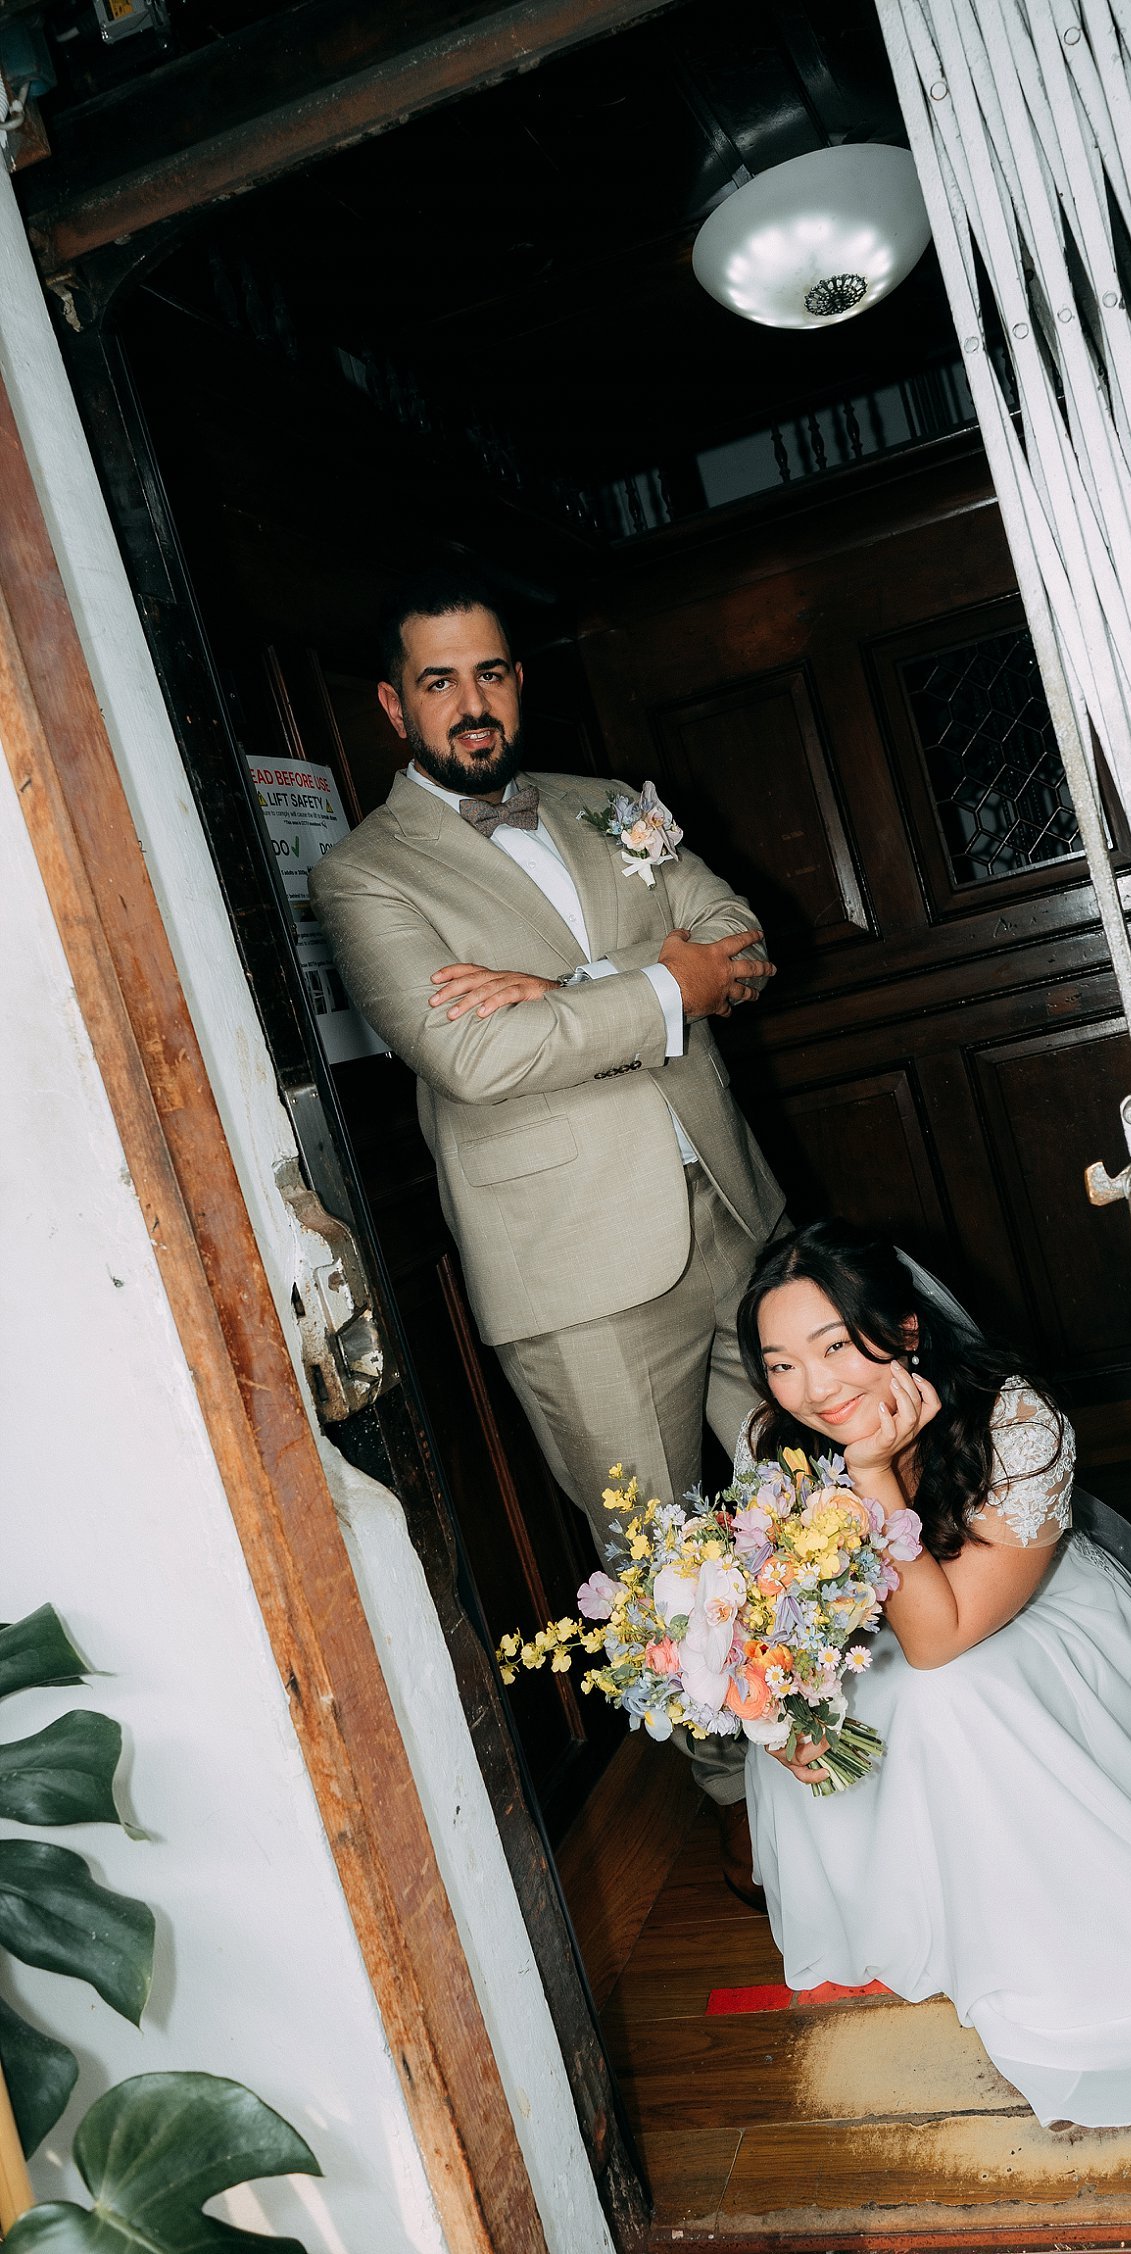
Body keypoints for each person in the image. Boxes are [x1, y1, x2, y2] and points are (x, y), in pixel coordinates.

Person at [309, 559, 786, 1888]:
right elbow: (477, 1060)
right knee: (660, 1553)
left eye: (491, 672)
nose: (472, 703)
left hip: (738, 1210)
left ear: (521, 680)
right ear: (396, 706)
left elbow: (742, 948)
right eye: (439, 681)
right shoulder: (364, 875)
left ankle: (852, 1729)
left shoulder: (610, 801)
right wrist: (660, 981)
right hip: (577, 1271)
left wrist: (567, 985)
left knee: (809, 1489)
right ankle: (735, 1791)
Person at [733, 1222, 1131, 2128]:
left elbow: (942, 1637)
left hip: (1017, 1616)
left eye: (836, 1346)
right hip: (884, 1634)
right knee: (845, 1701)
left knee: (949, 1696)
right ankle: (925, 1914)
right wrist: (777, 1712)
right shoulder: (776, 1445)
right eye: (782, 1364)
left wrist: (872, 1473)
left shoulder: (1016, 1421)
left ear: (906, 1332)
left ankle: (1032, 1916)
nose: (816, 1387)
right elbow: (773, 1620)